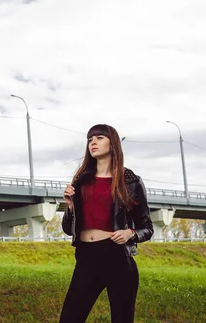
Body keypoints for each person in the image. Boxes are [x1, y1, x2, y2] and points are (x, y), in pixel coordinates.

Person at [59, 124, 153, 323]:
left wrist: (130, 234)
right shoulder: (81, 180)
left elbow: (147, 228)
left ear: (113, 144)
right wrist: (70, 207)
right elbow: (69, 229)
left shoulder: (130, 181)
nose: (93, 142)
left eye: (99, 138)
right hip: (86, 257)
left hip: (116, 256)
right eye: (90, 139)